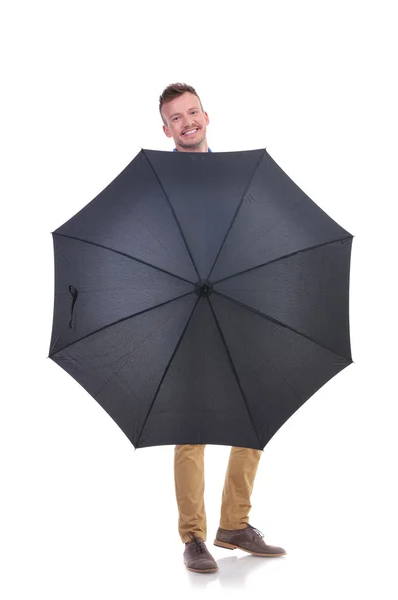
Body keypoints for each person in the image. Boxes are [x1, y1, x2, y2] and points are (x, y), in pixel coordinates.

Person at [158, 82, 286, 574]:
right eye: (176, 117)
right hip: (184, 308)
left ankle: (235, 523)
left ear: (206, 117)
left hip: (235, 303)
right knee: (190, 426)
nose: (187, 121)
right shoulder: (159, 179)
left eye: (193, 112)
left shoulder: (237, 175)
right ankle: (192, 536)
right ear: (165, 128)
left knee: (253, 411)